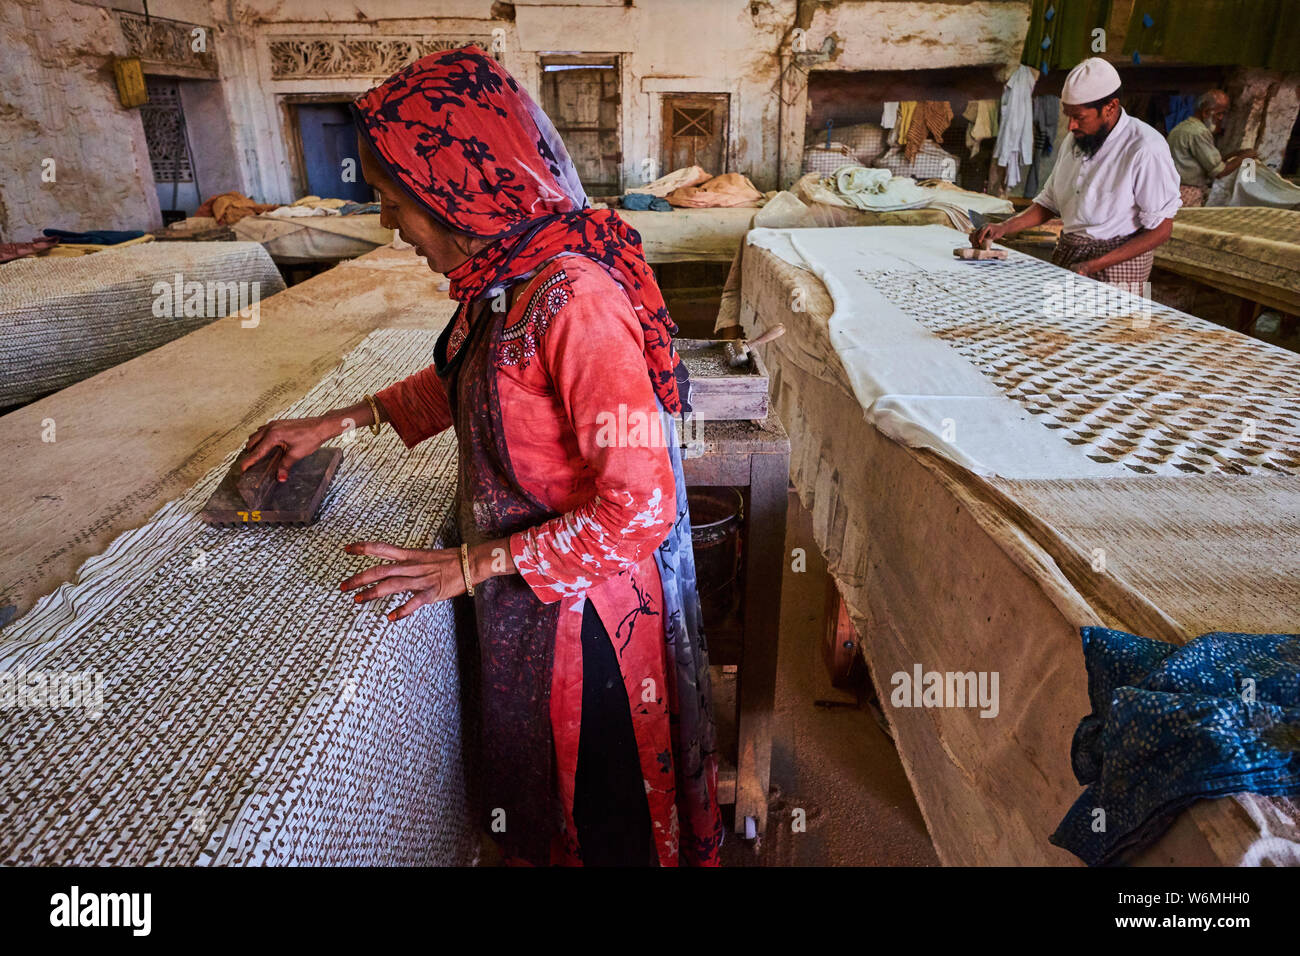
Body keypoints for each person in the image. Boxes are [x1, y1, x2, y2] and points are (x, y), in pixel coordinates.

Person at [239, 46, 722, 867]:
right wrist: (337, 420)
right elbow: (463, 382)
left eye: (397, 204)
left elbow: (638, 509)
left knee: (606, 812)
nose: (393, 227)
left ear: (453, 194)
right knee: (548, 802)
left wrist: (469, 565)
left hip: (591, 617)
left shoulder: (575, 302)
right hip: (529, 592)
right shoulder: (505, 284)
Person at [972, 57, 1180, 293]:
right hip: (1074, 256)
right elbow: (1049, 204)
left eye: (1079, 117)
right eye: (1067, 116)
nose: (1070, 127)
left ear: (1110, 107)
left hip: (1118, 266)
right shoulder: (1076, 140)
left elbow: (1162, 229)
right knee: (1057, 327)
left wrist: (1094, 265)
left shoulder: (1145, 148)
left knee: (1108, 329)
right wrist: (1004, 228)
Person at [1167, 89, 1257, 207]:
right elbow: (1219, 172)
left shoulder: (1181, 128)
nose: (1221, 118)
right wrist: (1246, 157)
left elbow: (1205, 162)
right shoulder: (1199, 132)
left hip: (1173, 190)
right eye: (1219, 113)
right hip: (1187, 193)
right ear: (1206, 113)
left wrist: (1235, 155)